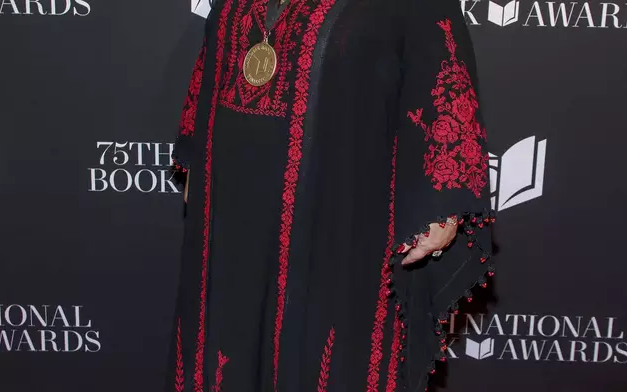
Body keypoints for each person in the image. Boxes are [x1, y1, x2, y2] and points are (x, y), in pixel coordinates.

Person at [165, 0, 495, 390]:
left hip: (341, 209)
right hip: (232, 212)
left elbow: (440, 68)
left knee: (324, 347)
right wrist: (196, 161)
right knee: (225, 342)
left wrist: (442, 205)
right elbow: (215, 60)